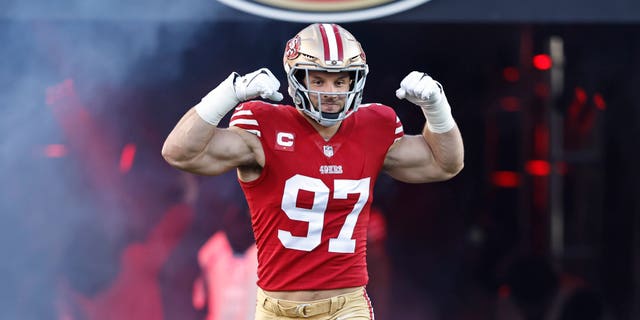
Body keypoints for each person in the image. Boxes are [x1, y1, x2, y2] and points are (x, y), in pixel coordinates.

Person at [162, 23, 464, 319]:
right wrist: (230, 92)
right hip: (277, 309)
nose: (331, 92)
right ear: (297, 81)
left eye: (340, 81)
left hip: (346, 307)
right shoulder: (263, 126)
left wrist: (437, 108)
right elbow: (179, 151)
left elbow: (446, 163)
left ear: (354, 82)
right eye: (318, 81)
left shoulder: (374, 127)